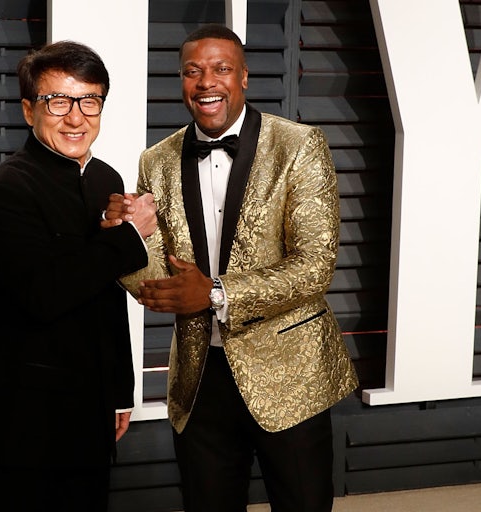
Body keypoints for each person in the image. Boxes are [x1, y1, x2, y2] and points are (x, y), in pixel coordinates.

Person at [107, 24, 359, 512]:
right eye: (192, 72)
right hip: (200, 378)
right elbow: (157, 282)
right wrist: (125, 237)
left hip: (290, 374)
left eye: (221, 69)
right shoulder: (156, 160)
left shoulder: (299, 145)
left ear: (244, 78)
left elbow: (314, 267)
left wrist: (217, 292)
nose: (206, 82)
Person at [0, 40, 156, 511]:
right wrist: (130, 238)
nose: (76, 117)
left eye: (90, 100)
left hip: (93, 405)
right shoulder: (5, 189)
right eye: (59, 101)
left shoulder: (107, 179)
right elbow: (43, 294)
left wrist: (120, 390)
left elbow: (108, 297)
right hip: (27, 414)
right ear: (29, 108)